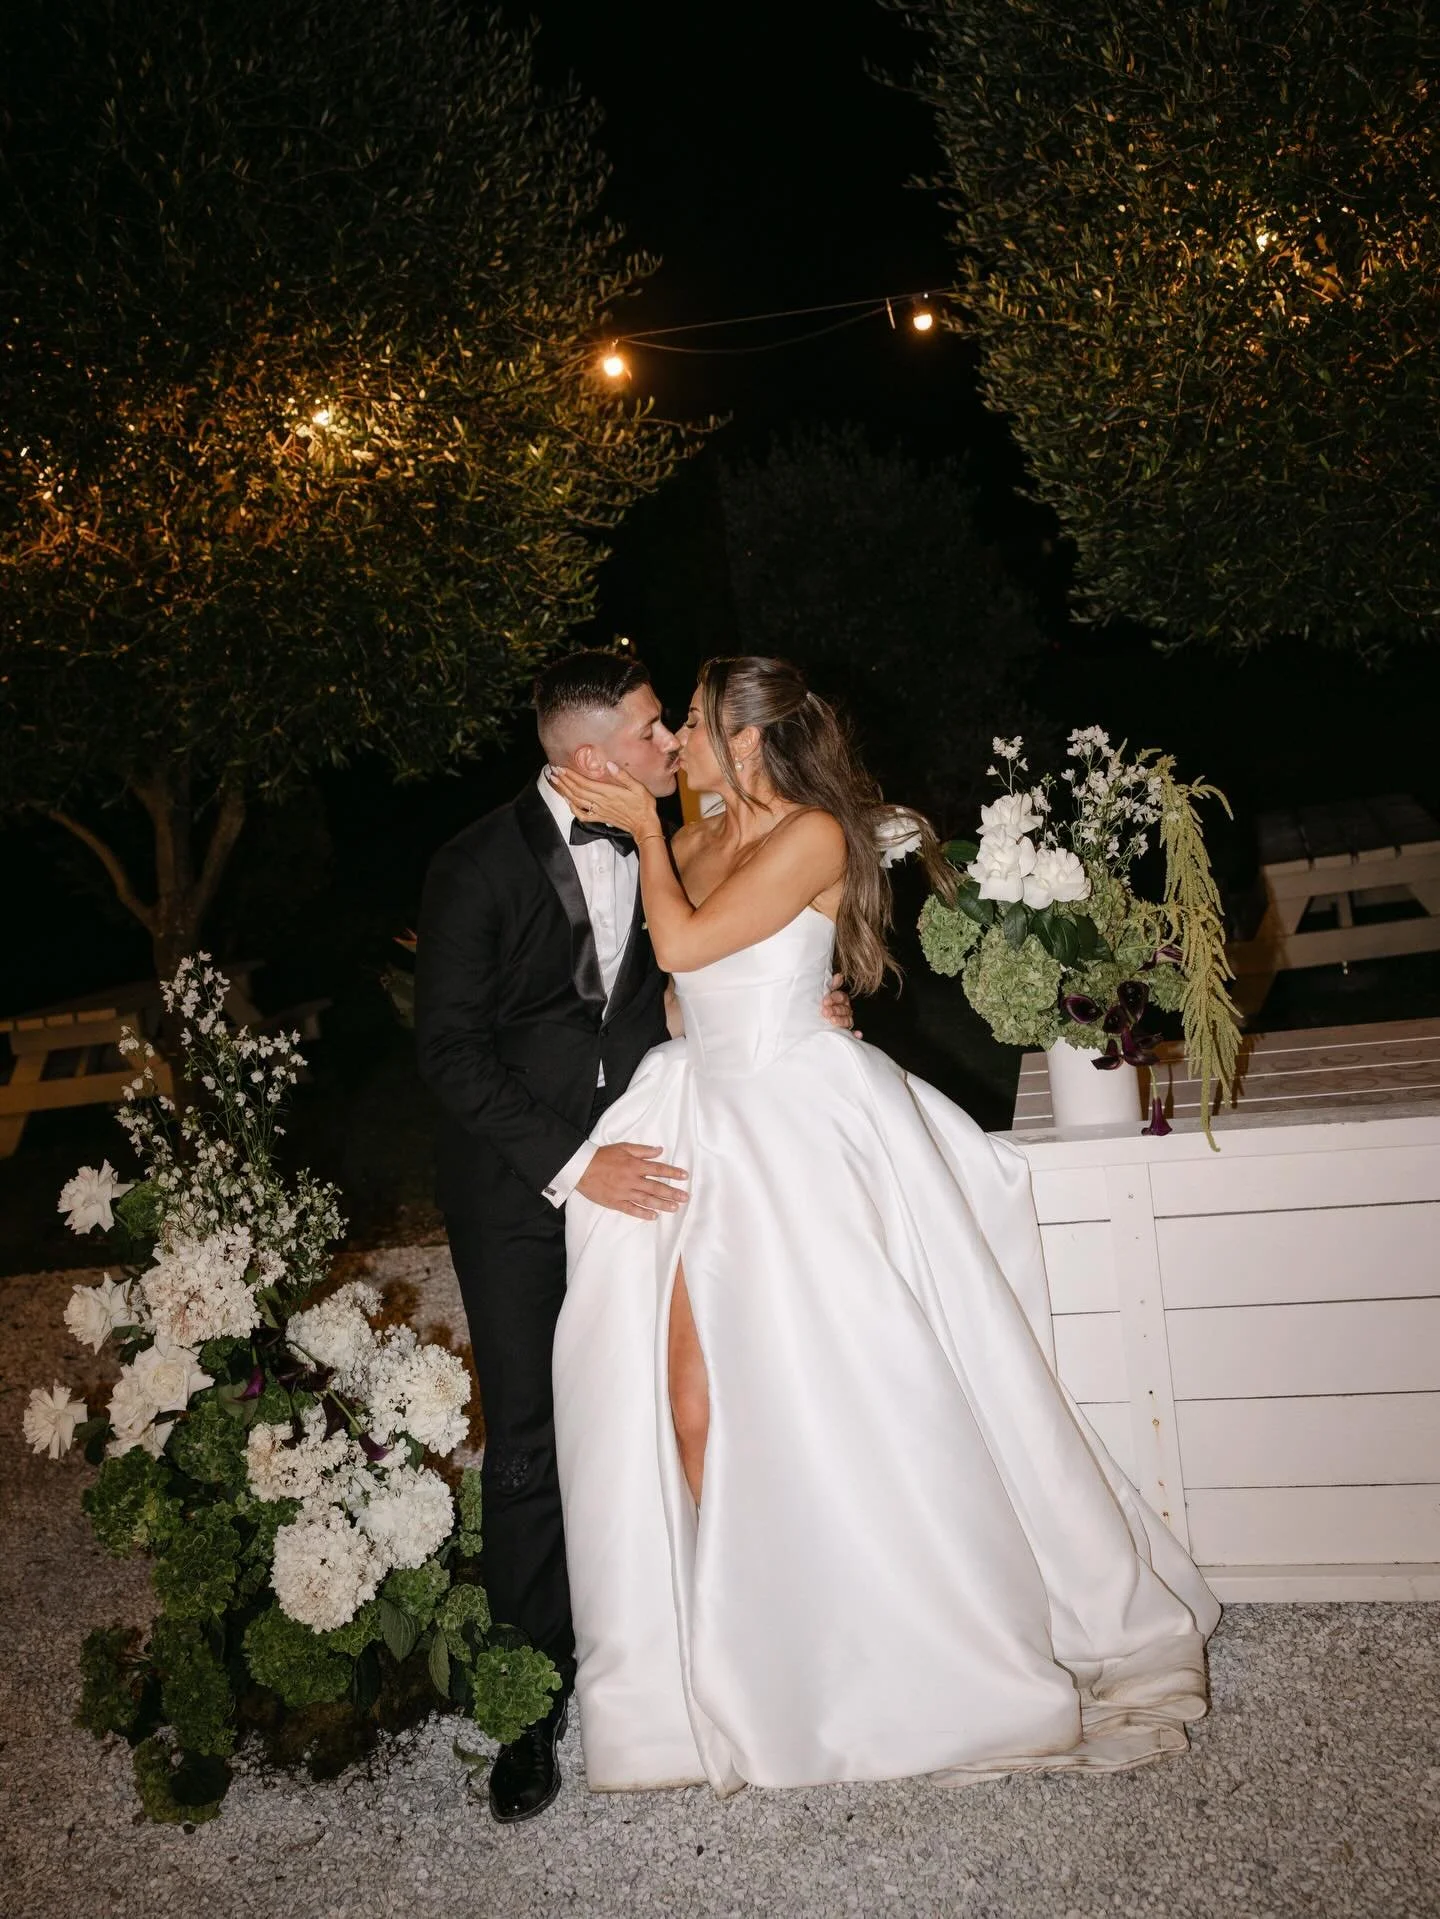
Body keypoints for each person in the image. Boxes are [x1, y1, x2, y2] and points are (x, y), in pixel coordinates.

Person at [548, 654, 1221, 1797]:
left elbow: (684, 943)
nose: (685, 747)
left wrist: (657, 856)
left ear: (750, 740)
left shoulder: (810, 834)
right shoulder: (706, 835)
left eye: (700, 728)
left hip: (799, 1137)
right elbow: (680, 991)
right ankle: (750, 1641)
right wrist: (734, 966)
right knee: (688, 1396)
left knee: (847, 1394)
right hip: (708, 1115)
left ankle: (882, 1637)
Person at [413, 650, 852, 1822]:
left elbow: (673, 976)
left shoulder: (683, 829)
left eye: (678, 728)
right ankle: (526, 1705)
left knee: (660, 1401)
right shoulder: (474, 866)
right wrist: (572, 1164)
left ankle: (686, 1634)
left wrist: (800, 1003)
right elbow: (448, 1054)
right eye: (657, 732)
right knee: (529, 1430)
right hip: (525, 1187)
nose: (673, 746)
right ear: (594, 759)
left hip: (659, 1149)